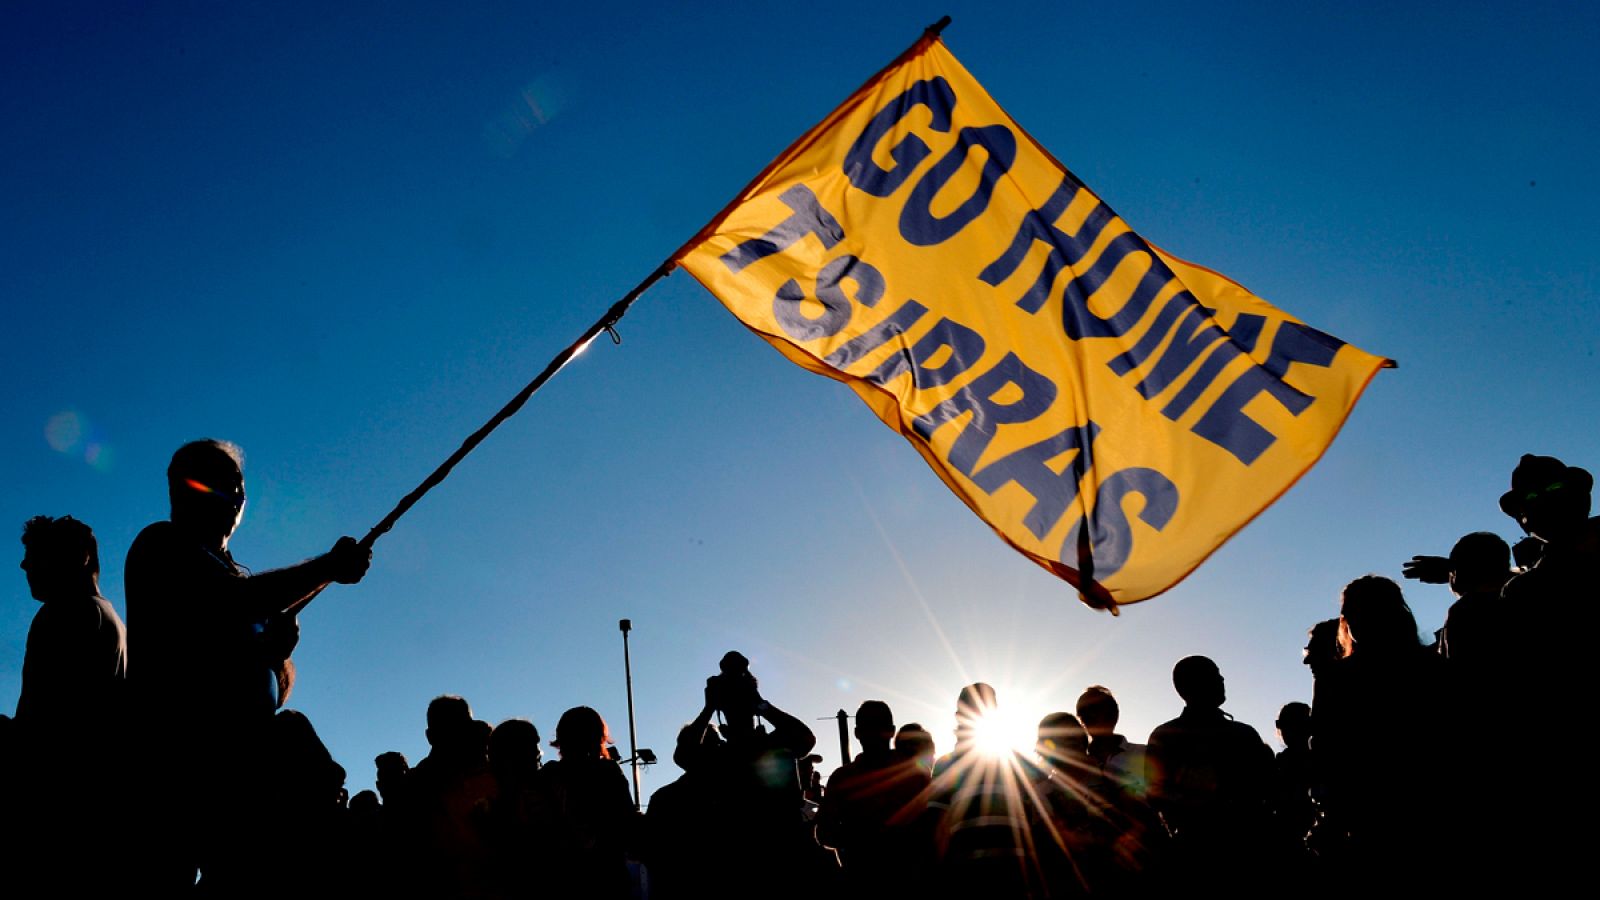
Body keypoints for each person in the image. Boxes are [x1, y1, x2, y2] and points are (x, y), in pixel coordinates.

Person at [123, 438, 371, 891]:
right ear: (183, 489)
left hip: (242, 782)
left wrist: (277, 657)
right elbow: (237, 603)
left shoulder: (235, 573)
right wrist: (328, 569)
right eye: (223, 484)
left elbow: (267, 680)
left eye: (239, 488)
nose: (236, 497)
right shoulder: (161, 546)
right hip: (181, 771)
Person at [12, 515, 128, 893]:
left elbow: (40, 730)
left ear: (79, 557)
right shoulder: (110, 619)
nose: (25, 565)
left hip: (56, 815)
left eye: (38, 555)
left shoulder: (64, 613)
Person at [1145, 656, 1273, 888]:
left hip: (1241, 848)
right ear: (1190, 685)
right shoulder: (1241, 735)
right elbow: (1156, 795)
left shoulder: (1165, 735)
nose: (1222, 679)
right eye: (1214, 674)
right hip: (1209, 851)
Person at [815, 700, 932, 899]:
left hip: (876, 882)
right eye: (871, 726)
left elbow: (826, 834)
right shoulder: (916, 773)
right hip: (898, 882)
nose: (874, 733)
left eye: (876, 726)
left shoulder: (842, 778)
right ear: (892, 731)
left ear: (856, 733)